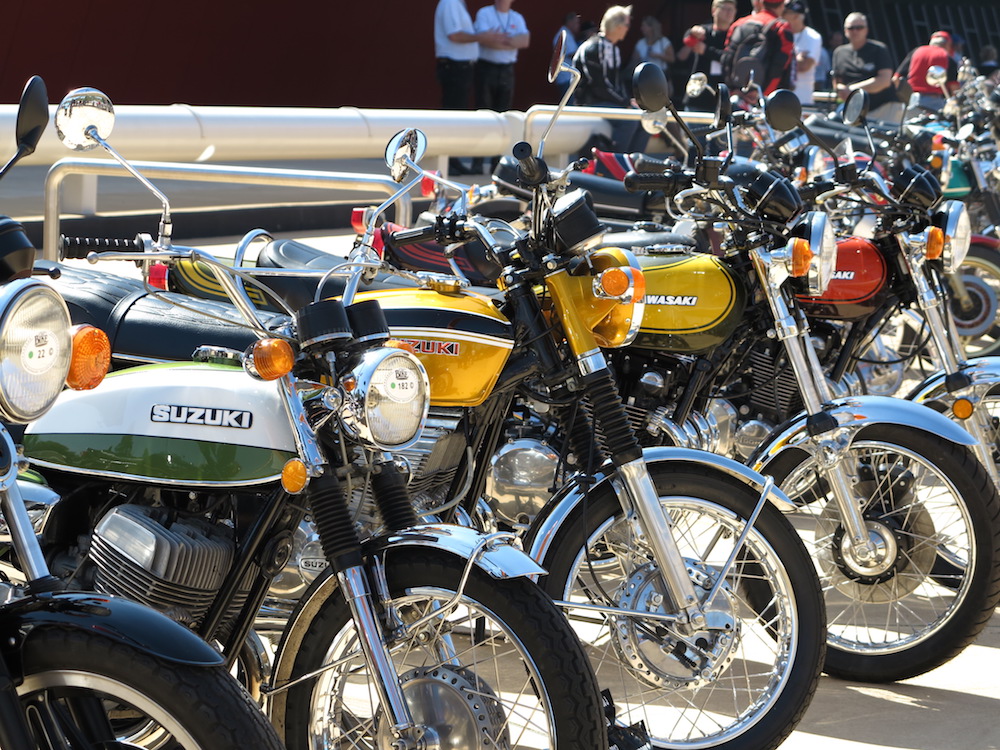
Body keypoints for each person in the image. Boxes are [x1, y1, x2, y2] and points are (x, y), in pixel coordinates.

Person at [434, 0, 506, 174]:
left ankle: (453, 159)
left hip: (460, 67)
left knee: (456, 116)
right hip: (455, 67)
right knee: (452, 116)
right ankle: (448, 162)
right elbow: (455, 35)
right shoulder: (450, 3)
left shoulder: (456, 4)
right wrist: (483, 37)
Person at [572, 5, 648, 153]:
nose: (628, 28)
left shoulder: (614, 49)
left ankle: (632, 165)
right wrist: (625, 102)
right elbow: (599, 87)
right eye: (626, 24)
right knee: (630, 121)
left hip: (606, 101)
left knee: (646, 120)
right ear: (617, 26)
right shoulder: (593, 48)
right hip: (589, 103)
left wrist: (629, 101)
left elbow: (616, 83)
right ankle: (613, 166)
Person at [831, 12, 901, 121]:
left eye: (859, 27)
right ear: (845, 31)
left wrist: (852, 89)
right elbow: (837, 82)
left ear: (866, 30)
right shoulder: (839, 52)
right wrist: (841, 89)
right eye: (851, 28)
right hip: (855, 110)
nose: (855, 31)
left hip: (883, 108)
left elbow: (884, 81)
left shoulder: (879, 49)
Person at [722, 0, 795, 96]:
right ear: (782, 6)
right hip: (767, 98)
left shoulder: (738, 24)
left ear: (761, 3)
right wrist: (761, 94)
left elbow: (726, 59)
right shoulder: (782, 27)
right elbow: (780, 65)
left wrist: (733, 89)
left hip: (737, 94)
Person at [676, 0, 738, 111]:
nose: (728, 13)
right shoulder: (704, 32)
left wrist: (705, 50)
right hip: (699, 96)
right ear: (714, 10)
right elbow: (687, 41)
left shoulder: (736, 36)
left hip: (723, 98)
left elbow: (731, 58)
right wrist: (691, 32)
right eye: (725, 9)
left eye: (731, 10)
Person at [894, 31, 959, 113]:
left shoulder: (916, 51)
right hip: (934, 103)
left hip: (911, 100)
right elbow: (954, 89)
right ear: (948, 45)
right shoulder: (947, 58)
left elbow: (896, 78)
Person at [782, 1, 822, 105]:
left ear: (795, 16)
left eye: (785, 12)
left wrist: (784, 60)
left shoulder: (813, 36)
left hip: (802, 99)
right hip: (780, 96)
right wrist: (796, 59)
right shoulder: (779, 33)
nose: (781, 14)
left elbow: (805, 66)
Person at [553, 12, 581, 99]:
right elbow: (572, 54)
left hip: (568, 78)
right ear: (570, 22)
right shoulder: (564, 34)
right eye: (576, 23)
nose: (578, 26)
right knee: (570, 106)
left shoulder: (567, 34)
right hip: (566, 78)